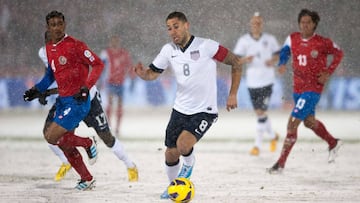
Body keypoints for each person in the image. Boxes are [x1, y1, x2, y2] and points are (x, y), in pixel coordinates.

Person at [134, 11, 243, 199]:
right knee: (170, 154)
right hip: (180, 109)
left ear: (186, 25)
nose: (173, 32)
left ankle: (189, 165)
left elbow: (236, 62)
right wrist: (144, 74)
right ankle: (173, 187)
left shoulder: (206, 46)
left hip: (204, 110)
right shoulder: (168, 50)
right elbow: (153, 73)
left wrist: (233, 93)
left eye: (176, 26)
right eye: (169, 28)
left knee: (183, 145)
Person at [36, 31, 138, 182]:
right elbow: (51, 75)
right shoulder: (45, 53)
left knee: (107, 137)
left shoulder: (72, 48)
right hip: (67, 100)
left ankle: (130, 165)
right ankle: (72, 166)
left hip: (88, 98)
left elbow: (79, 79)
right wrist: (42, 90)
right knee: (54, 135)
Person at [23, 10, 104, 190]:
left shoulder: (76, 45)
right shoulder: (49, 49)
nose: (57, 28)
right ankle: (87, 178)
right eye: (53, 25)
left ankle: (88, 142)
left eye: (60, 24)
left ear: (64, 24)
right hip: (63, 101)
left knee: (53, 137)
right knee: (63, 142)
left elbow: (98, 64)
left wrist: (87, 86)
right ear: (48, 28)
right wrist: (37, 90)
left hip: (78, 101)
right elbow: (51, 75)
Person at [267, 9, 344, 173]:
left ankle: (280, 163)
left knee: (292, 123)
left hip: (312, 89)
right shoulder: (293, 38)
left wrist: (328, 72)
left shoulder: (323, 42)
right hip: (298, 89)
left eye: (308, 22)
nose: (305, 25)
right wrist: (282, 62)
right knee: (309, 122)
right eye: (302, 22)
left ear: (314, 24)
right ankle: (333, 142)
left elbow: (339, 54)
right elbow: (285, 51)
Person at [233, 12, 282, 156]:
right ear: (251, 24)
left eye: (259, 23)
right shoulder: (244, 40)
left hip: (267, 81)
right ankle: (273, 136)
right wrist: (244, 60)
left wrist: (273, 61)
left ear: (262, 24)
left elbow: (279, 54)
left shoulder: (270, 39)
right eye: (254, 23)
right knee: (259, 112)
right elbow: (235, 59)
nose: (257, 25)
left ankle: (257, 146)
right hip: (252, 81)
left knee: (261, 112)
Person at [99, 35, 135, 136]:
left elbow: (129, 66)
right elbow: (100, 67)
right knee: (110, 104)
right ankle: (109, 126)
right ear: (110, 42)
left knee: (119, 105)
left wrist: (132, 77)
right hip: (110, 82)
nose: (114, 43)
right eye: (113, 41)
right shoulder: (106, 53)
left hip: (120, 82)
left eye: (116, 41)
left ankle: (118, 129)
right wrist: (99, 80)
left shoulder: (124, 53)